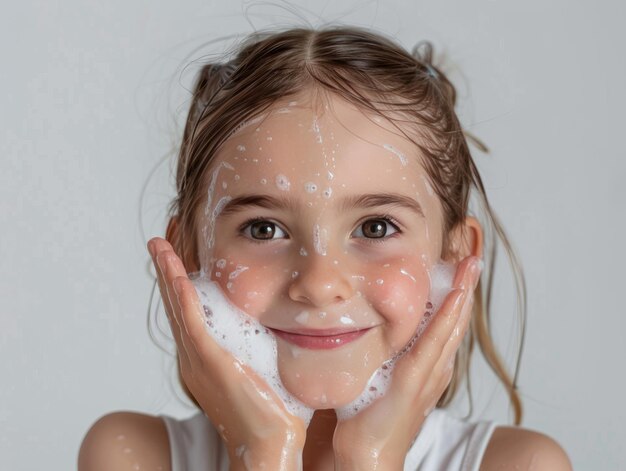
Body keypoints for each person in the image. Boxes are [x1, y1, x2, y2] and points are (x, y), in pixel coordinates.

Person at [78, 26, 572, 470]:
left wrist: (371, 461)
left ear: (455, 259)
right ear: (188, 255)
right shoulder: (130, 456)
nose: (318, 284)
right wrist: (263, 456)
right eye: (264, 229)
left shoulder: (521, 465)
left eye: (376, 228)